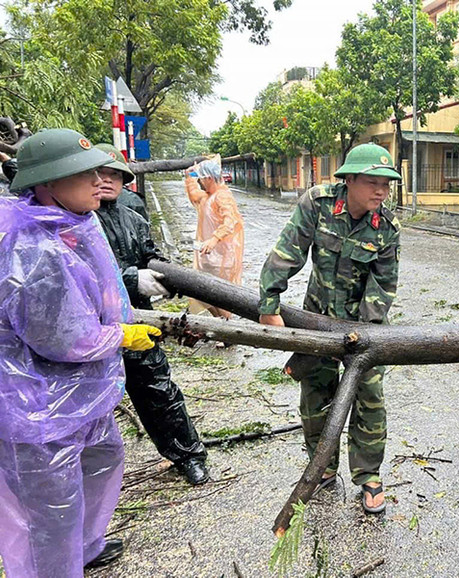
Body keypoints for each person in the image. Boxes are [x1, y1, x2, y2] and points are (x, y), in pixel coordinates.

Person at [0, 128, 161, 576]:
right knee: (50, 511)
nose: (98, 180)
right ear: (47, 183)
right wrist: (121, 337)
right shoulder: (33, 249)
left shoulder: (76, 223)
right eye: (82, 173)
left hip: (82, 395)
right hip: (38, 406)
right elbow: (60, 339)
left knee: (101, 462)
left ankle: (85, 548)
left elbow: (103, 294)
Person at [258, 143, 401, 514]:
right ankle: (322, 466)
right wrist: (269, 302)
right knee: (316, 394)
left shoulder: (386, 228)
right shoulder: (318, 204)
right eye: (372, 182)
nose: (381, 191)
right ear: (348, 179)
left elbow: (383, 284)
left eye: (386, 184)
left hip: (365, 327)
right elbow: (288, 250)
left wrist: (362, 334)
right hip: (317, 319)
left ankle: (369, 475)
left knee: (370, 399)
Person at [94, 143, 209, 485]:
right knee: (92, 405)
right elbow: (82, 276)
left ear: (124, 180)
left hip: (139, 322)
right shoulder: (76, 221)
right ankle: (95, 479)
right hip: (93, 329)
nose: (106, 180)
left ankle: (188, 455)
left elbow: (150, 255)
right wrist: (132, 279)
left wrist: (166, 277)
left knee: (159, 392)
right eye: (100, 173)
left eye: (115, 174)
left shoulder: (134, 218)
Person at [184, 158, 244, 318]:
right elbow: (194, 195)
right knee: (203, 295)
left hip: (222, 257)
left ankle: (227, 328)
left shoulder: (222, 196)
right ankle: (221, 324)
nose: (200, 182)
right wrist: (189, 177)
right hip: (208, 255)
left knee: (219, 297)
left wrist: (214, 239)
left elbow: (230, 221)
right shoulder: (207, 196)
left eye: (202, 179)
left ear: (209, 178)